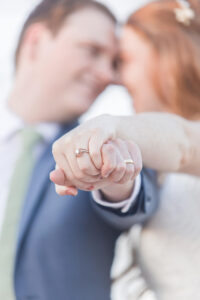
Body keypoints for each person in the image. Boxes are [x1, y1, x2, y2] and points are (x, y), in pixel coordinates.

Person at [0, 1, 158, 300]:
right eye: (92, 51)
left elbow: (132, 198)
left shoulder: (100, 149)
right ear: (35, 42)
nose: (107, 76)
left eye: (114, 63)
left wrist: (117, 175)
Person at [51, 0, 200, 299]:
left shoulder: (180, 138)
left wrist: (107, 127)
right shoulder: (153, 165)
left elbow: (183, 142)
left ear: (165, 54)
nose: (114, 79)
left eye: (123, 60)